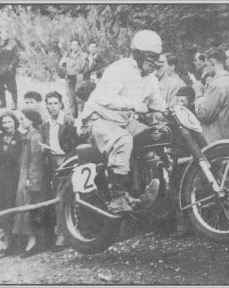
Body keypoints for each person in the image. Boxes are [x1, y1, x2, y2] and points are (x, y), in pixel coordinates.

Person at [80, 30, 167, 213]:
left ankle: (140, 189)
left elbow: (158, 101)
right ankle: (117, 197)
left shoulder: (150, 78)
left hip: (121, 121)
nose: (155, 63)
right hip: (97, 118)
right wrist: (133, 104)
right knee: (123, 140)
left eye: (157, 58)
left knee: (152, 136)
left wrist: (169, 112)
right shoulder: (120, 69)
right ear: (138, 54)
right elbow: (103, 98)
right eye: (151, 57)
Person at [41, 91, 78, 252]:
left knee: (65, 196)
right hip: (54, 163)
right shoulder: (46, 124)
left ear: (61, 104)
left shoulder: (69, 122)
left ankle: (64, 235)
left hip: (68, 162)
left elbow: (76, 144)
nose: (53, 106)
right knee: (57, 196)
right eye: (49, 104)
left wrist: (70, 160)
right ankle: (62, 232)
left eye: (55, 103)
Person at [12, 108, 48, 258]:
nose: (20, 122)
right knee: (25, 209)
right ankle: (28, 241)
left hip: (30, 178)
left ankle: (33, 243)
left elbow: (36, 162)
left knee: (30, 210)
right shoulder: (28, 135)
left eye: (23, 119)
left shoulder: (35, 137)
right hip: (24, 174)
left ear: (31, 120)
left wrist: (31, 181)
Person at [0, 112, 23, 256]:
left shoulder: (20, 138)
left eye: (9, 122)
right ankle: (6, 245)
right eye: (4, 123)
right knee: (0, 213)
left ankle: (16, 244)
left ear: (14, 122)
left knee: (13, 211)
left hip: (15, 181)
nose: (7, 125)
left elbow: (21, 160)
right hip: (1, 182)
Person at [193, 48, 229, 143]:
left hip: (215, 140)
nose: (206, 68)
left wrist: (199, 93)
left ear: (212, 62)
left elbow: (203, 114)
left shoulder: (217, 85)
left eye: (206, 64)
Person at [0, 28, 20, 110]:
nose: (4, 35)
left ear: (8, 34)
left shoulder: (13, 44)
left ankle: (14, 103)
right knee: (0, 86)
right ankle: (2, 102)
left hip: (9, 67)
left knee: (12, 86)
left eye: (6, 34)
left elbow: (16, 56)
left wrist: (12, 65)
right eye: (3, 34)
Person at [59, 39, 87, 118]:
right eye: (73, 45)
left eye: (76, 45)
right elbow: (61, 64)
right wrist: (65, 69)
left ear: (78, 46)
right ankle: (73, 116)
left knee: (79, 97)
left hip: (79, 77)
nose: (74, 47)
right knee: (71, 97)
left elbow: (85, 66)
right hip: (70, 78)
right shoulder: (67, 55)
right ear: (71, 46)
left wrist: (81, 73)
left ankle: (80, 115)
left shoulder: (82, 55)